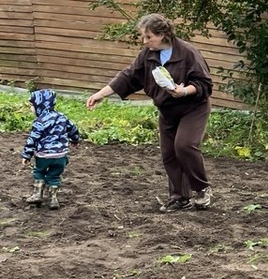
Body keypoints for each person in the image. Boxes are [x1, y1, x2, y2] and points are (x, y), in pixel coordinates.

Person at [87, 13, 213, 212]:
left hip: (193, 107)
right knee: (169, 153)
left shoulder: (187, 53)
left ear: (162, 35)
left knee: (184, 145)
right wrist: (101, 94)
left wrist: (183, 91)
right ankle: (180, 197)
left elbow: (204, 84)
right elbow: (128, 76)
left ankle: (202, 189)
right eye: (143, 37)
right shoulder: (148, 55)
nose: (144, 41)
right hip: (168, 109)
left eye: (148, 37)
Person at [20, 88, 81, 210]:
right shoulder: (62, 117)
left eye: (32, 105)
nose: (31, 108)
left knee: (39, 172)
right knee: (54, 176)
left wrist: (27, 155)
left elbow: (33, 139)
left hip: (44, 155)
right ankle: (53, 199)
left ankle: (37, 194)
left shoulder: (40, 121)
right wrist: (75, 140)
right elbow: (73, 129)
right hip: (60, 155)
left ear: (40, 105)